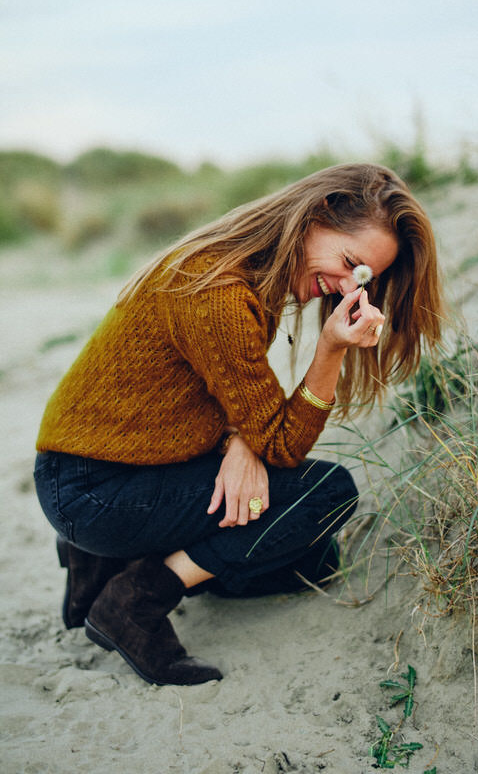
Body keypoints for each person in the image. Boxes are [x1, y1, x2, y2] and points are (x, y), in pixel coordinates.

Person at [34, 163, 442, 687]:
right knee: (325, 494)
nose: (343, 289)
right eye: (347, 262)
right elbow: (281, 441)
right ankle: (135, 599)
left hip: (110, 467)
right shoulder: (221, 291)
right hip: (95, 490)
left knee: (311, 559)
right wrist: (331, 350)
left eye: (360, 280)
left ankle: (99, 562)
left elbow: (228, 394)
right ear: (315, 217)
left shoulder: (246, 270)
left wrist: (238, 442)